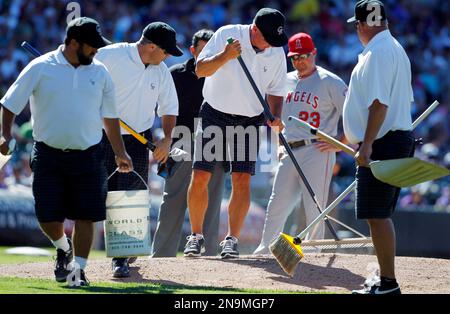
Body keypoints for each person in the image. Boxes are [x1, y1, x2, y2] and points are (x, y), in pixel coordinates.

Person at [0, 17, 133, 286]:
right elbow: (10, 103)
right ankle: (63, 247)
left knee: (86, 215)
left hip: (89, 154)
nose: (96, 51)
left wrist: (120, 151)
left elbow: (110, 118)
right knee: (47, 216)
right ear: (73, 43)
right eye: (92, 46)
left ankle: (78, 271)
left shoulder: (100, 71)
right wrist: (4, 134)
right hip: (48, 154)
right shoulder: (40, 67)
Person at [184, 8, 287, 259]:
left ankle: (231, 240)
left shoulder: (275, 52)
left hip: (250, 119)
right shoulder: (227, 35)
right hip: (214, 113)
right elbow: (201, 70)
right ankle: (195, 236)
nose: (271, 46)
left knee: (242, 179)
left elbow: (276, 89)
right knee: (201, 175)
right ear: (254, 30)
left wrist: (275, 115)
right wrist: (226, 55)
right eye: (268, 39)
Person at [95, 22, 181, 277]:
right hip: (100, 133)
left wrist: (166, 139)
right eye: (166, 52)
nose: (167, 57)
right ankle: (69, 254)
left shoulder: (160, 70)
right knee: (93, 192)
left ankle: (120, 258)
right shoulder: (110, 55)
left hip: (137, 138)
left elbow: (169, 107)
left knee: (130, 193)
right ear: (152, 46)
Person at [343, 0, 415, 294]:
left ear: (363, 24)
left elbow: (378, 104)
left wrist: (368, 144)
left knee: (377, 214)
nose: (357, 30)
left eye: (357, 25)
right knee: (378, 213)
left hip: (383, 141)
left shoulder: (377, 52)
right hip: (392, 138)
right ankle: (386, 280)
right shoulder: (394, 48)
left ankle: (388, 283)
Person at [254, 32, 348, 254]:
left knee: (315, 205)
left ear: (313, 53)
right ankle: (266, 248)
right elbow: (278, 119)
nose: (299, 61)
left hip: (318, 148)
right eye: (295, 57)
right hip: (289, 148)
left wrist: (342, 143)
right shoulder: (284, 80)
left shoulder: (330, 81)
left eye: (304, 55)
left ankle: (313, 251)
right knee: (277, 202)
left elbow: (354, 115)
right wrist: (278, 143)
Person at [152, 29, 227, 257]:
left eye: (211, 50)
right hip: (180, 142)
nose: (206, 55)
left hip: (215, 143)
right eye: (202, 50)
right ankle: (162, 257)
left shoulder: (225, 76)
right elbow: (162, 109)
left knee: (212, 205)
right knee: (172, 201)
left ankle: (210, 256)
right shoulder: (174, 74)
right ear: (193, 50)